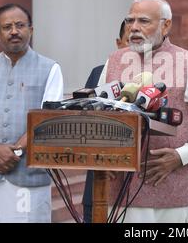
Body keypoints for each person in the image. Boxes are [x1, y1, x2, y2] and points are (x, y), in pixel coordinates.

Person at [99, 0, 188, 222]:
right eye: (130, 21)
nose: (134, 28)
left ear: (166, 25)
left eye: (143, 21)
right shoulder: (114, 61)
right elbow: (99, 114)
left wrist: (181, 156)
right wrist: (101, 154)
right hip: (117, 190)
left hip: (167, 191)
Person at [0, 3, 64, 223]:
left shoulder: (50, 68)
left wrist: (12, 154)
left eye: (20, 25)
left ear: (31, 30)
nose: (14, 31)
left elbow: (49, 118)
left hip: (28, 175)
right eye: (7, 27)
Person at [82, 20, 129, 223]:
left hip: (140, 191)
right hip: (99, 184)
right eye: (130, 40)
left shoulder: (161, 77)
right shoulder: (98, 73)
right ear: (119, 43)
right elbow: (83, 122)